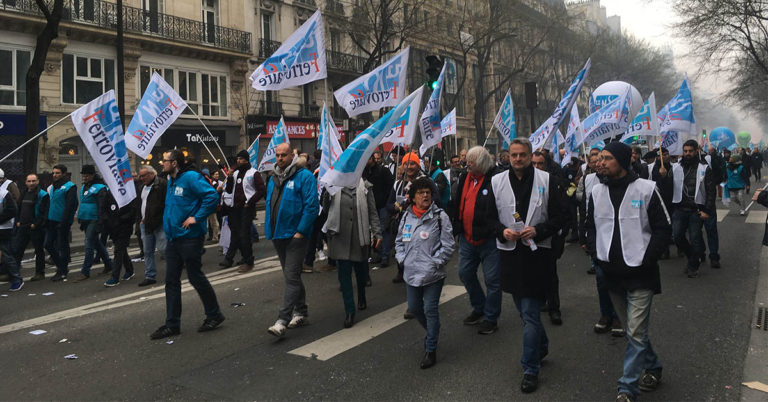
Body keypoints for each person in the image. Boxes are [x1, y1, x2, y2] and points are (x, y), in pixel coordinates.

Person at [585, 142, 672, 402]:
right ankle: (653, 366)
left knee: (633, 333)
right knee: (635, 330)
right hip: (611, 274)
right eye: (600, 158)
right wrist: (595, 253)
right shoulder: (597, 191)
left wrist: (648, 258)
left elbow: (663, 228)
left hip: (640, 274)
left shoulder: (646, 189)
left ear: (622, 161)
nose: (601, 163)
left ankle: (627, 388)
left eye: (607, 158)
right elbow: (589, 225)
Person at [492, 138, 568, 393]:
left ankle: (530, 368)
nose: (517, 159)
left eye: (522, 155)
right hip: (510, 256)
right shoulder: (497, 181)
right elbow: (488, 217)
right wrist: (502, 231)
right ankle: (542, 345)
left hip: (537, 256)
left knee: (531, 312)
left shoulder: (548, 181)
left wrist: (539, 230)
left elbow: (561, 216)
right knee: (524, 313)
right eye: (513, 155)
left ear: (530, 155)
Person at [149, 149, 225, 340]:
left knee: (195, 277)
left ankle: (214, 315)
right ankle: (172, 324)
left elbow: (211, 196)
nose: (162, 163)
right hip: (174, 238)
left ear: (174, 163)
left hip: (190, 237)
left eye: (165, 160)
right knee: (171, 281)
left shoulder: (191, 177)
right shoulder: (171, 181)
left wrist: (196, 218)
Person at [395, 176, 455, 369]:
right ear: (413, 197)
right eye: (421, 193)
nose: (425, 195)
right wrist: (402, 258)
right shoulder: (406, 216)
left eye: (428, 192)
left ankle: (431, 348)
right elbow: (399, 242)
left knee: (430, 309)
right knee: (414, 307)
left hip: (433, 275)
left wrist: (435, 262)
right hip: (411, 273)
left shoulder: (440, 217)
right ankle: (432, 331)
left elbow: (448, 245)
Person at [265, 143, 319, 338]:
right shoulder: (272, 178)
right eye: (277, 155)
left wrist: (301, 231)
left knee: (291, 276)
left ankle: (282, 320)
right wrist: (269, 230)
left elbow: (312, 206)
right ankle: (301, 311)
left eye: (283, 155)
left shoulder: (304, 176)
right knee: (292, 276)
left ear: (292, 156)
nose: (279, 158)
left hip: (296, 235)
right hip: (278, 234)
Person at [451, 146, 502, 334]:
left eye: (472, 163)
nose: (467, 165)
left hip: (489, 240)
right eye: (467, 162)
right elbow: (458, 203)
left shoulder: (496, 179)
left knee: (492, 280)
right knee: (465, 273)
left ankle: (491, 318)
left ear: (482, 164)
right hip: (466, 237)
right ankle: (479, 306)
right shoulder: (465, 177)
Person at [322, 178, 382, 328]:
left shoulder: (366, 187)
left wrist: (377, 233)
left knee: (361, 271)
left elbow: (372, 212)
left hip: (359, 236)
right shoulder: (333, 186)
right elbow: (325, 209)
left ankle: (362, 295)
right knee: (344, 274)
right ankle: (349, 310)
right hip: (339, 236)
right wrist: (326, 194)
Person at [578, 152, 624, 336]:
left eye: (603, 160)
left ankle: (618, 315)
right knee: (602, 281)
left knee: (619, 282)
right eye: (597, 161)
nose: (600, 164)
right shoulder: (590, 182)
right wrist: (585, 239)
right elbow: (586, 213)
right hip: (598, 242)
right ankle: (605, 314)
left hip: (619, 242)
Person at [671, 140, 716, 277]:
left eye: (690, 151)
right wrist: (662, 175)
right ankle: (693, 256)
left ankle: (693, 265)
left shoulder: (704, 168)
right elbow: (666, 184)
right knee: (677, 237)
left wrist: (706, 210)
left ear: (696, 151)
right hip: (679, 208)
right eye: (685, 151)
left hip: (696, 210)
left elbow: (710, 191)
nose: (687, 154)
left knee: (695, 238)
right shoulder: (675, 167)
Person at [531, 151, 567, 325]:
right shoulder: (525, 182)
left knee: (550, 274)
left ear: (546, 165)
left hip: (549, 236)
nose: (537, 167)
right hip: (529, 238)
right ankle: (540, 301)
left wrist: (560, 237)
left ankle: (554, 308)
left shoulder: (553, 182)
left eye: (540, 164)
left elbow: (562, 213)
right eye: (534, 164)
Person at [220, 150, 266, 273]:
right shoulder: (235, 173)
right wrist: (229, 177)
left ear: (246, 159)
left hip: (246, 208)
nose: (238, 161)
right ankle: (237, 258)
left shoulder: (253, 173)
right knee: (235, 234)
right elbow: (229, 190)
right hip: (235, 208)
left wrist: (250, 202)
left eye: (240, 159)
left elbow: (261, 190)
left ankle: (248, 261)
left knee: (244, 234)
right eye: (238, 159)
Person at [73, 165, 112, 282]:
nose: (84, 177)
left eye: (86, 175)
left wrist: (101, 221)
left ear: (92, 175)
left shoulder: (100, 188)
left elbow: (102, 205)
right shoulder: (85, 187)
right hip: (86, 218)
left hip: (94, 219)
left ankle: (85, 271)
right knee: (96, 243)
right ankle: (109, 264)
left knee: (89, 243)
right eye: (83, 175)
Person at [45, 165, 78, 282]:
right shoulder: (53, 186)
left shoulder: (70, 187)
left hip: (62, 221)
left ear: (64, 174)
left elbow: (70, 205)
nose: (55, 175)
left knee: (62, 246)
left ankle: (62, 270)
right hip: (51, 220)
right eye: (53, 173)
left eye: (57, 173)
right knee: (48, 244)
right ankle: (61, 266)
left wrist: (64, 221)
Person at [13, 174, 49, 282]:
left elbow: (44, 212)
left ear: (38, 181)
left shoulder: (42, 194)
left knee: (38, 250)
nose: (31, 183)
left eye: (34, 181)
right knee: (18, 250)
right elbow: (19, 208)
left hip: (35, 227)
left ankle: (40, 272)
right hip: (23, 226)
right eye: (29, 181)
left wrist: (36, 224)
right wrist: (18, 221)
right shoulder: (23, 193)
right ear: (26, 182)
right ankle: (14, 272)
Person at [137, 165, 167, 286]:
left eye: (143, 175)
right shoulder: (142, 187)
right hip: (145, 224)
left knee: (163, 249)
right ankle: (150, 276)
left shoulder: (162, 184)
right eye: (140, 176)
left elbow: (167, 203)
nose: (141, 178)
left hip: (159, 223)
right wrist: (139, 219)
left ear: (151, 174)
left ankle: (172, 273)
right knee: (147, 251)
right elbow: (140, 204)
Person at [363, 154, 394, 267]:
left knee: (383, 229)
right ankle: (379, 254)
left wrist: (387, 200)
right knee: (375, 230)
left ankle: (385, 255)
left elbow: (390, 187)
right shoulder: (364, 172)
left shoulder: (383, 171)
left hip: (382, 205)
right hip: (371, 205)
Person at [102, 190, 138, 287]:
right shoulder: (109, 192)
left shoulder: (127, 192)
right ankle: (129, 270)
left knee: (118, 250)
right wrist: (107, 221)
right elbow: (104, 208)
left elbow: (133, 211)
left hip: (124, 227)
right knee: (121, 250)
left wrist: (121, 219)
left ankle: (115, 277)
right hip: (113, 227)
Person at [0, 181, 20, 291]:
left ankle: (17, 279)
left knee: (7, 255)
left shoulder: (4, 193)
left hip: (3, 229)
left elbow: (12, 210)